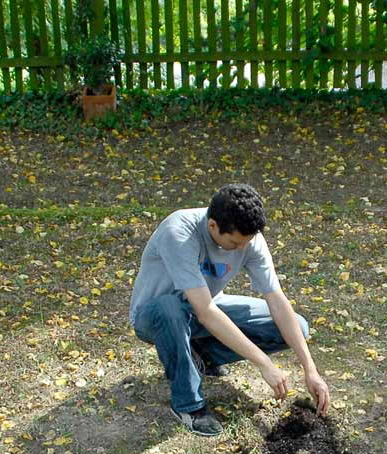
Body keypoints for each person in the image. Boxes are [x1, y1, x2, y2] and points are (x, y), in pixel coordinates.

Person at [129, 183, 331, 435]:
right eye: (234, 243)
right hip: (156, 316)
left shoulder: (249, 239)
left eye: (247, 242)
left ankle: (201, 356)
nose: (242, 249)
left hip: (207, 307)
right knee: (169, 308)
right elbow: (205, 311)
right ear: (213, 225)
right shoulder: (179, 232)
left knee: (298, 326)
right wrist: (263, 362)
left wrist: (310, 369)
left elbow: (277, 300)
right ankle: (189, 405)